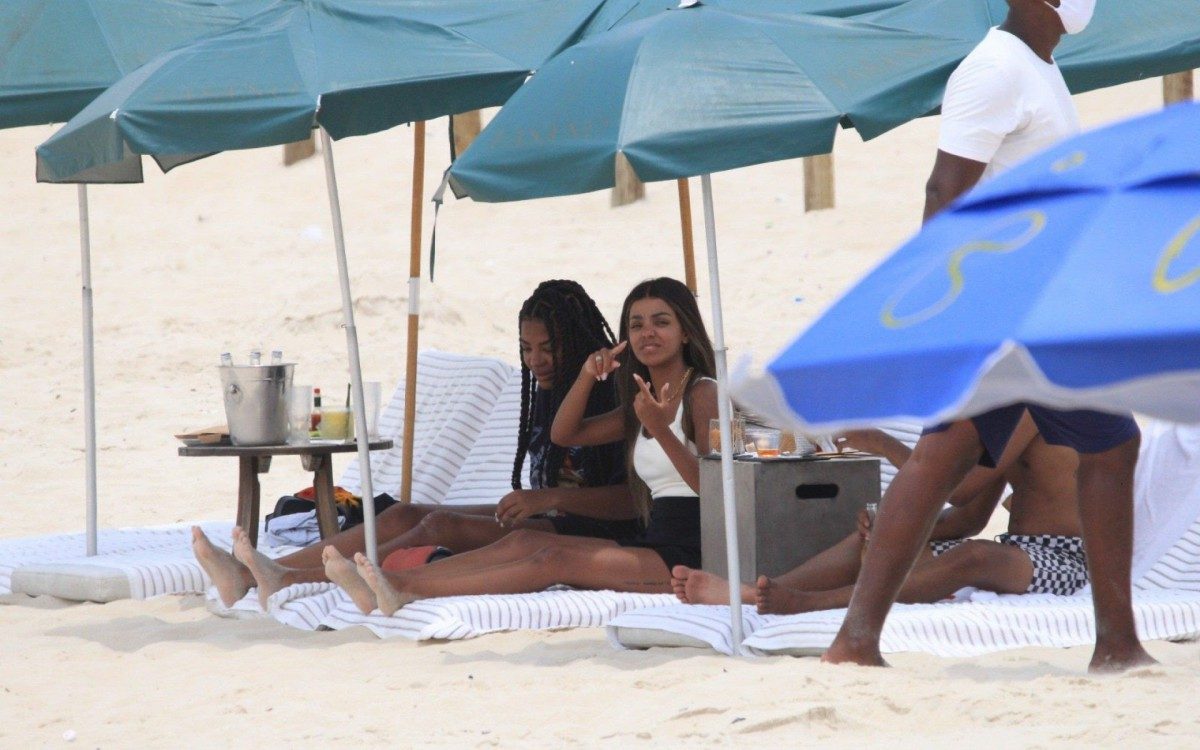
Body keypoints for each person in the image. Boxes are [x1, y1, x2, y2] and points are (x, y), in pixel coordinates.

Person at [823, 0, 1154, 672]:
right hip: (1015, 306)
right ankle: (1116, 643)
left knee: (945, 455)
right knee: (1111, 447)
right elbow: (945, 190)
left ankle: (856, 640)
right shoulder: (997, 67)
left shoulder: (1034, 66)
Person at [192, 280, 642, 608]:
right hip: (557, 514)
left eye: (549, 347)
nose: (536, 360)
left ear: (579, 341)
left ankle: (290, 577)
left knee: (439, 524)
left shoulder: (611, 393)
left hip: (593, 532)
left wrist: (548, 497)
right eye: (526, 348)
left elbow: (633, 502)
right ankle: (253, 570)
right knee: (405, 511)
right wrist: (543, 499)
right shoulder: (550, 390)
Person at [320, 277, 720, 616]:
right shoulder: (643, 403)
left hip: (690, 555)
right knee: (525, 541)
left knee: (552, 559)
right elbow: (566, 434)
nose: (647, 333)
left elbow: (714, 489)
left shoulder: (703, 394)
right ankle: (391, 583)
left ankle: (407, 587)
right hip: (651, 543)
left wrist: (662, 431)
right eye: (636, 325)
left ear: (685, 331)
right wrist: (585, 375)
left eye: (661, 322)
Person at [672, 414, 1091, 613]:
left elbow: (958, 488)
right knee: (883, 536)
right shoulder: (1007, 414)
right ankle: (749, 593)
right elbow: (969, 515)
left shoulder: (1034, 408)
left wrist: (882, 443)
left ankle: (812, 602)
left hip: (1067, 559)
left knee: (974, 557)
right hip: (1019, 552)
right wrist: (896, 525)